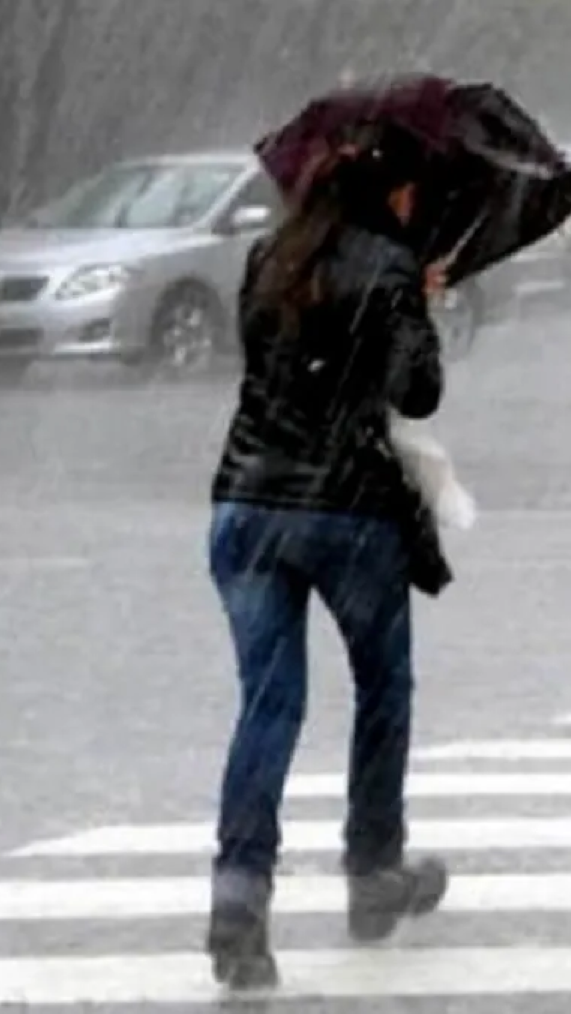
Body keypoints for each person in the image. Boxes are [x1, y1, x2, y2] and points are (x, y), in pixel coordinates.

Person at [204, 121, 450, 990]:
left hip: (246, 506)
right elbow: (415, 390)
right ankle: (373, 870)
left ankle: (238, 900)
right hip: (347, 513)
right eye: (414, 191)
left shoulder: (266, 259)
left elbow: (275, 372)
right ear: (392, 193)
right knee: (382, 688)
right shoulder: (388, 267)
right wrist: (420, 302)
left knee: (267, 708)